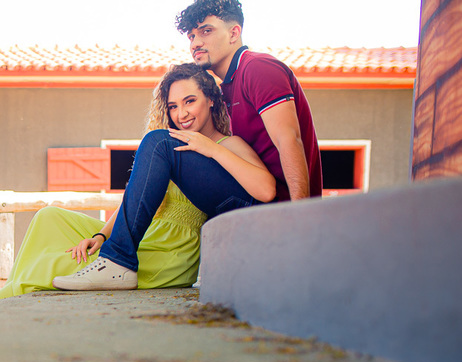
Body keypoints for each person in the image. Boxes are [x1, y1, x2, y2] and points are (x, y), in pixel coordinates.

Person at [53, 0, 321, 291]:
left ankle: (118, 262)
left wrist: (300, 220)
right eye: (192, 36)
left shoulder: (258, 68)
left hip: (275, 208)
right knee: (159, 142)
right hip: (249, 202)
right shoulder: (225, 88)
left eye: (206, 31)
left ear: (234, 33)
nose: (196, 42)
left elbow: (289, 140)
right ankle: (118, 254)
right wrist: (103, 233)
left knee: (159, 143)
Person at [0, 63, 274, 299]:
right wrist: (101, 235)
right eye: (173, 106)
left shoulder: (228, 143)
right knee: (48, 218)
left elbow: (266, 189)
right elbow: (132, 199)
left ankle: (13, 300)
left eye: (190, 101)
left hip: (171, 249)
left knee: (53, 264)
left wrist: (210, 149)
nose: (181, 114)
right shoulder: (168, 148)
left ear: (211, 99)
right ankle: (9, 297)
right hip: (139, 234)